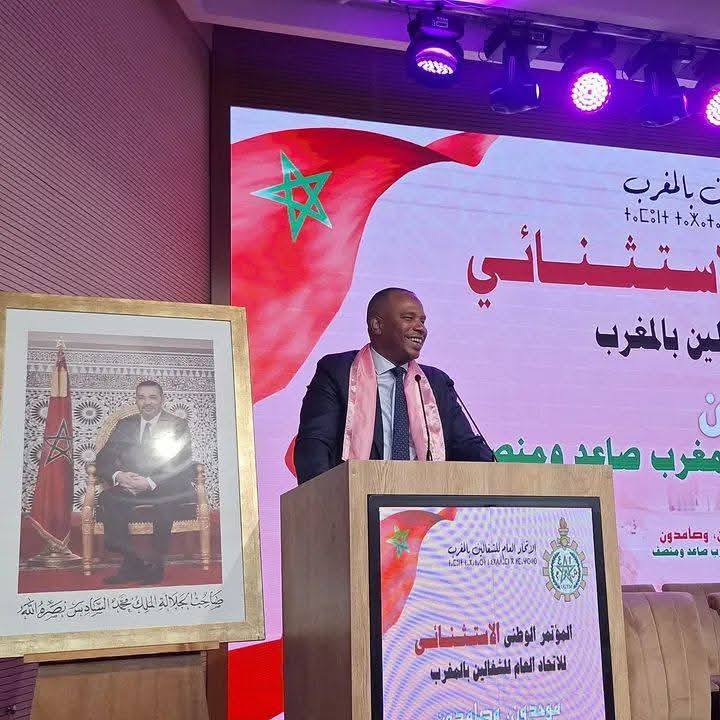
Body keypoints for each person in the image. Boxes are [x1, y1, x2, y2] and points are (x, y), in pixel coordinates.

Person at [294, 287, 495, 484]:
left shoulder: (436, 382)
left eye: (422, 321)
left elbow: (464, 445)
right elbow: (315, 444)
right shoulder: (338, 372)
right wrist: (324, 497)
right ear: (377, 325)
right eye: (408, 318)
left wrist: (498, 466)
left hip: (426, 499)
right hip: (359, 497)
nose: (421, 328)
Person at [95, 380, 195, 584]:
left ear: (162, 400)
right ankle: (132, 562)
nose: (147, 402)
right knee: (108, 498)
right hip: (132, 484)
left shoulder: (177, 424)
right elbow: (103, 458)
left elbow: (181, 463)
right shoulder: (125, 424)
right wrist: (119, 476)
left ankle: (156, 565)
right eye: (141, 397)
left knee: (165, 501)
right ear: (136, 400)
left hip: (166, 484)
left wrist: (149, 482)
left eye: (152, 397)